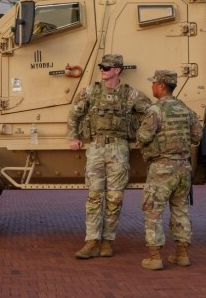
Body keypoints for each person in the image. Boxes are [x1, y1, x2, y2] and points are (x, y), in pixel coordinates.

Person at [67, 53, 152, 260]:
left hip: (119, 149)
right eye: (101, 67)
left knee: (115, 198)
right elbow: (74, 114)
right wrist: (73, 137)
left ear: (117, 70)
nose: (103, 70)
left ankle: (107, 242)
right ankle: (91, 241)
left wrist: (143, 137)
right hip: (96, 148)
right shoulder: (90, 92)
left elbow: (152, 114)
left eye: (107, 67)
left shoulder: (131, 95)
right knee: (94, 197)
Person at [137, 69, 202, 270]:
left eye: (154, 83)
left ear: (161, 86)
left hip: (162, 168)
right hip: (183, 167)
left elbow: (143, 137)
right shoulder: (186, 110)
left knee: (153, 211)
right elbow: (197, 136)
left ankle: (155, 257)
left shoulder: (155, 111)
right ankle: (182, 255)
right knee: (181, 209)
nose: (152, 87)